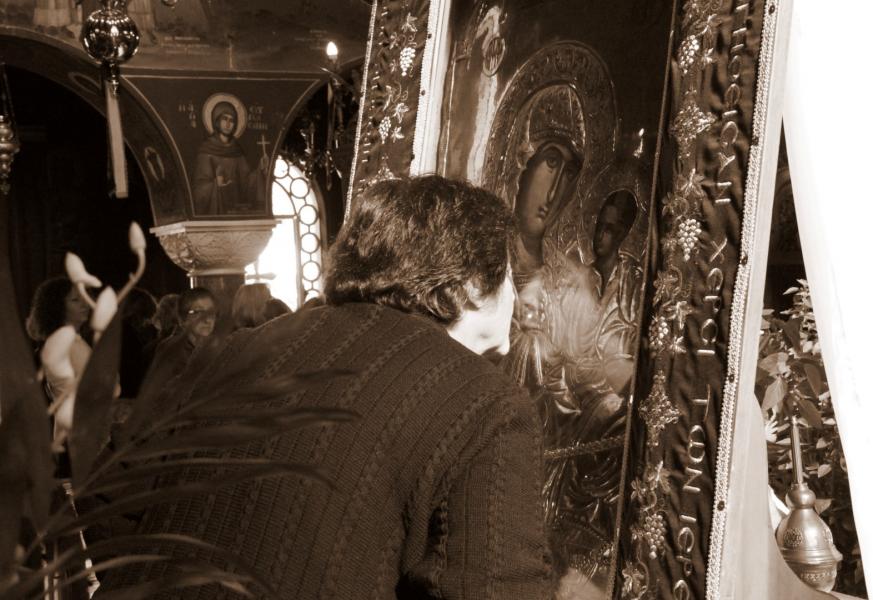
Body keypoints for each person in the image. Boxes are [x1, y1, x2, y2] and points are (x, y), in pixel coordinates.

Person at [99, 175, 554, 599]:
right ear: (472, 284)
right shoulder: (485, 404)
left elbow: (117, 497)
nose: (515, 298)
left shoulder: (233, 353)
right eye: (509, 277)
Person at [25, 276, 91, 406]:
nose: (85, 303)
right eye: (75, 300)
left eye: (85, 296)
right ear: (58, 307)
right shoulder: (68, 344)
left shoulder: (66, 341)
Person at [193, 100, 266, 215]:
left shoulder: (236, 151)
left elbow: (247, 181)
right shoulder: (206, 150)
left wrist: (260, 169)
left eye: (231, 121)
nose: (228, 124)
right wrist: (216, 184)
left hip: (235, 209)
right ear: (217, 121)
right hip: (216, 209)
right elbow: (200, 187)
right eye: (224, 119)